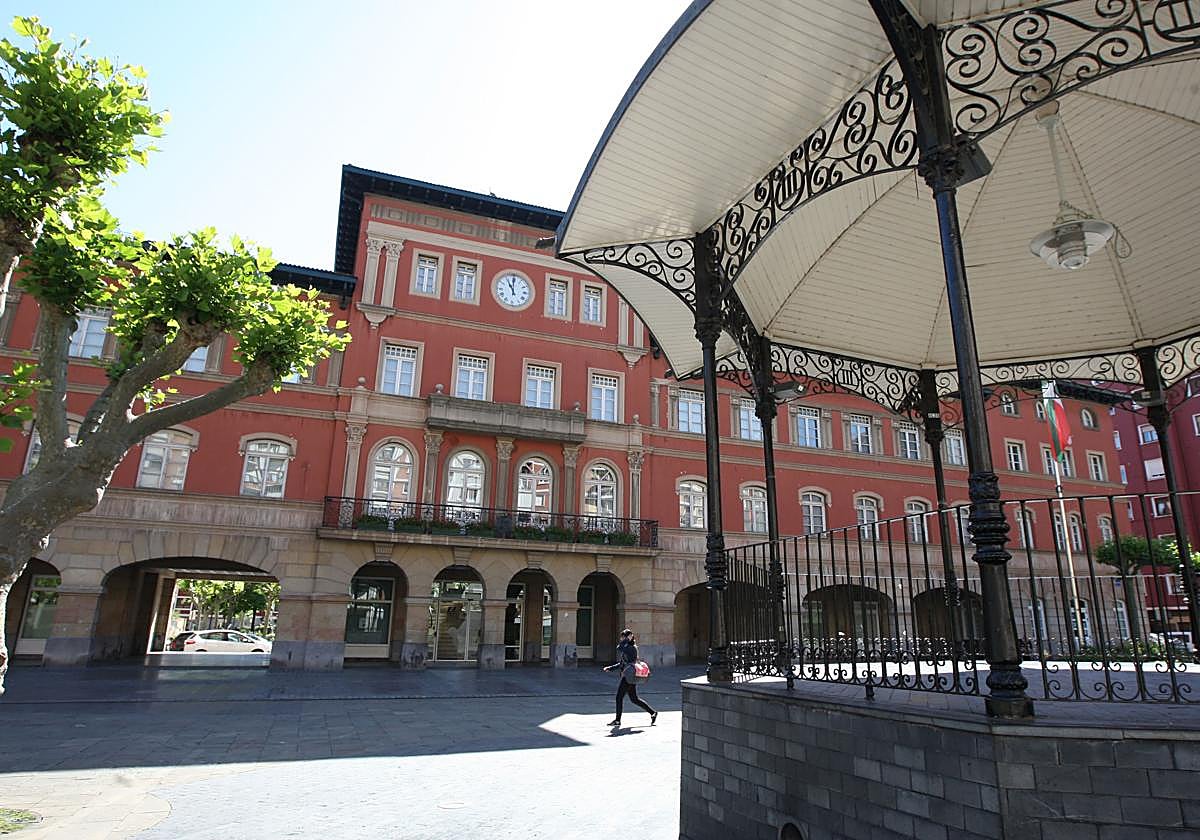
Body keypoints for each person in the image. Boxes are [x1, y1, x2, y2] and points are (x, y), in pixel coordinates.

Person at [602, 628, 657, 727]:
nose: (621, 639)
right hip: (630, 675)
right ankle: (652, 712)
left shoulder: (631, 648)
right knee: (634, 699)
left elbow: (619, 648)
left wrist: (627, 639)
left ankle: (618, 720)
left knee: (619, 697)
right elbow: (622, 663)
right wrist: (610, 668)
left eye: (623, 637)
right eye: (622, 637)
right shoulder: (627, 647)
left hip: (629, 676)